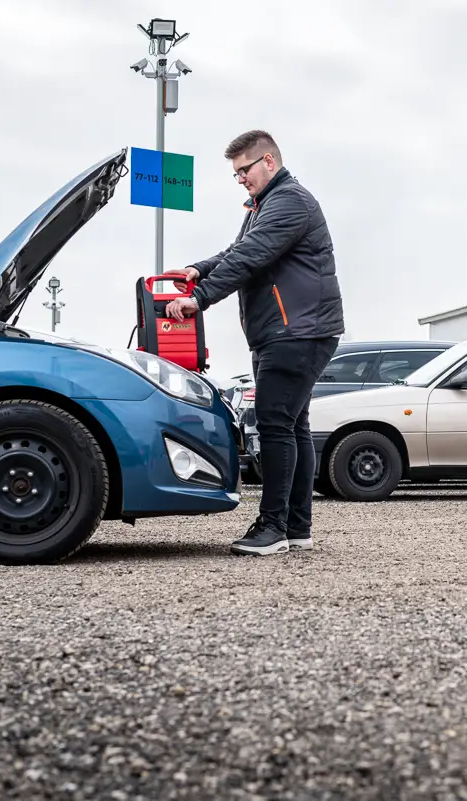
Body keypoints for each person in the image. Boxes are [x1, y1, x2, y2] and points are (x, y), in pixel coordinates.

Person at [166, 130, 344, 556]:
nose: (241, 179)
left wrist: (199, 298)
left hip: (297, 330)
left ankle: (273, 528)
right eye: (236, 174)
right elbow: (239, 248)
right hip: (290, 329)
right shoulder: (267, 204)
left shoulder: (290, 201)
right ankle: (297, 528)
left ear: (268, 161)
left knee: (275, 425)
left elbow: (250, 257)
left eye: (244, 170)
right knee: (293, 426)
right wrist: (199, 269)